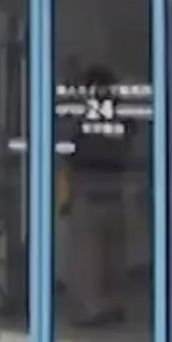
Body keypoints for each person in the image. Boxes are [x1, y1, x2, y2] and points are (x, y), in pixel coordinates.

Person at [66, 65, 131, 326]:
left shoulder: (85, 122)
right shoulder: (123, 119)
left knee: (88, 258)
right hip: (115, 192)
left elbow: (72, 154)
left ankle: (92, 309)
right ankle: (112, 304)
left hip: (88, 193)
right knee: (113, 256)